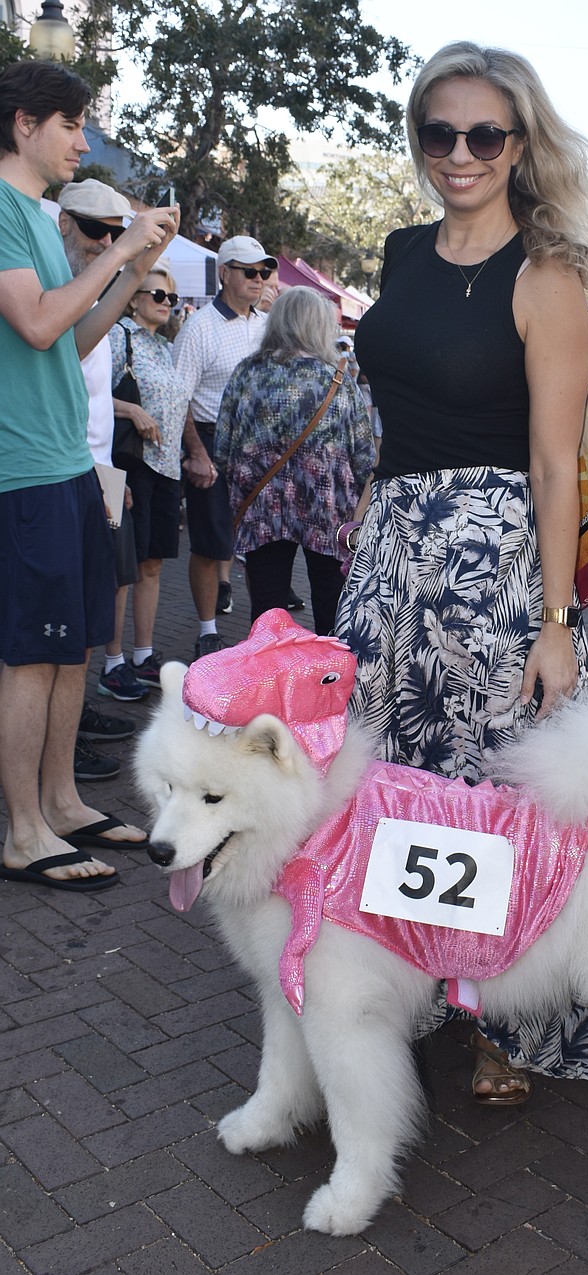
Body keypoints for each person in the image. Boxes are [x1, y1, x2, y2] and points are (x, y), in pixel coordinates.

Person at [336, 42, 588, 1102]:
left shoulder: (547, 273)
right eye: (438, 132)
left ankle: (506, 1015)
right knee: (387, 776)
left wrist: (555, 619)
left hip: (491, 555)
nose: (459, 153)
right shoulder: (402, 251)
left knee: (494, 791)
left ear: (516, 145)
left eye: (483, 134)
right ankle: (412, 982)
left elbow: (556, 462)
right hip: (390, 544)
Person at [0, 60, 178, 891]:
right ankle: (24, 829)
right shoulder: (0, 209)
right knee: (30, 657)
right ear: (23, 125)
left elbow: (71, 342)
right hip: (22, 470)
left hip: (65, 462)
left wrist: (135, 268)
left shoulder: (35, 217)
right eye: (70, 124)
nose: (82, 140)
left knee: (70, 648)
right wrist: (120, 256)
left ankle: (63, 802)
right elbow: (38, 323)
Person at [54, 177, 146, 778]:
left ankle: (72, 719)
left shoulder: (93, 301)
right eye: (94, 229)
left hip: (95, 470)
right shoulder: (50, 290)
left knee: (91, 607)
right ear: (63, 223)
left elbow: (92, 399)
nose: (104, 242)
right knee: (60, 617)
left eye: (115, 233)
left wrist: (111, 469)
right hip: (59, 469)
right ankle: (56, 740)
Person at [215, 287, 373, 633]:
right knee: (332, 608)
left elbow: (222, 447)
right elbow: (363, 457)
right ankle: (330, 684)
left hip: (260, 512)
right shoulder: (336, 380)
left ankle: (272, 683)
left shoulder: (247, 373)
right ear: (319, 327)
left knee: (267, 613)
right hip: (328, 515)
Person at [172, 235, 274, 660]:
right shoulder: (199, 328)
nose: (258, 280)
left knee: (260, 544)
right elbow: (179, 398)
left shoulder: (266, 324)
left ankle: (263, 630)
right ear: (224, 273)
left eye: (263, 272)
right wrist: (196, 452)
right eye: (249, 272)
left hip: (260, 443)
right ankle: (208, 629)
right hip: (212, 439)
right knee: (212, 542)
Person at [108, 263, 190, 686]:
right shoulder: (118, 336)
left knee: (152, 563)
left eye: (171, 298)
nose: (166, 304)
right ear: (135, 298)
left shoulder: (163, 346)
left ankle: (143, 653)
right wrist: (133, 409)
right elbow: (94, 397)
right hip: (132, 463)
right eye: (157, 295)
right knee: (124, 566)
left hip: (166, 466)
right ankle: (112, 661)